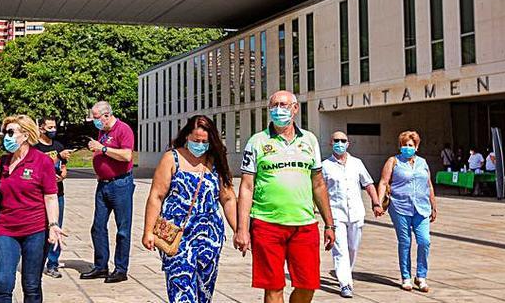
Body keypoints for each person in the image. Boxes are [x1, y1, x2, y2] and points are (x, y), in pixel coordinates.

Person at [233, 90, 335, 303]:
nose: (279, 110)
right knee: (273, 287)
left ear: (295, 109)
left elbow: (318, 183)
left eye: (284, 105)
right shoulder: (257, 141)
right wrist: (242, 229)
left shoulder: (309, 140)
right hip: (266, 224)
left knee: (308, 285)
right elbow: (246, 187)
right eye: (274, 105)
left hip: (304, 224)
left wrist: (329, 224)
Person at [143, 115, 237, 303]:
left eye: (204, 141)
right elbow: (156, 196)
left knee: (204, 292)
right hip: (177, 236)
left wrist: (239, 230)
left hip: (209, 237)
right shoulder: (172, 158)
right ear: (187, 136)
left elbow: (227, 198)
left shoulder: (215, 161)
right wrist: (148, 231)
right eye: (196, 140)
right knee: (181, 290)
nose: (200, 145)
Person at [0, 115, 65, 303]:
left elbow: (50, 197)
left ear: (25, 135)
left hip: (35, 231)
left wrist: (53, 225)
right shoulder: (3, 162)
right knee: (2, 284)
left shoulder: (42, 162)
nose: (6, 137)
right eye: (4, 132)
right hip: (6, 230)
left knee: (31, 285)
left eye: (10, 132)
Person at [321, 132, 383, 298]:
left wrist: (376, 203)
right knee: (340, 249)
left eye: (343, 141)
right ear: (330, 143)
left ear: (348, 143)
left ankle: (346, 272)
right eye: (336, 141)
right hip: (336, 214)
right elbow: (319, 190)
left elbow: (368, 183)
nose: (339, 143)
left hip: (356, 212)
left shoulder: (357, 163)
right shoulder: (325, 165)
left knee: (353, 248)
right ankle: (345, 283)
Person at [82, 101, 136, 283]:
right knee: (97, 227)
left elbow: (127, 155)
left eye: (96, 118)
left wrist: (102, 149)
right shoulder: (102, 131)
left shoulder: (123, 129)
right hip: (103, 184)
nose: (95, 122)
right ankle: (101, 266)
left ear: (106, 115)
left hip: (120, 184)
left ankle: (121, 269)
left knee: (122, 229)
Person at [377, 130, 437, 293]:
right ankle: (406, 277)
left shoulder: (423, 163)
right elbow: (383, 182)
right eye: (404, 145)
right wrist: (378, 203)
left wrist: (433, 204)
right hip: (400, 207)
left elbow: (428, 184)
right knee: (405, 242)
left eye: (410, 145)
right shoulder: (394, 161)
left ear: (416, 147)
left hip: (421, 208)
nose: (407, 148)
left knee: (424, 241)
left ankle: (421, 276)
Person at [34, 117, 68, 278]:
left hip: (57, 193)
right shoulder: (35, 148)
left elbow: (63, 168)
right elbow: (38, 165)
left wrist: (62, 176)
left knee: (56, 227)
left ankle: (53, 263)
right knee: (39, 229)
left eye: (54, 126)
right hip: (39, 195)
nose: (53, 129)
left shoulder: (59, 146)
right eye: (49, 127)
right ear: (41, 128)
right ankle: (36, 261)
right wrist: (58, 157)